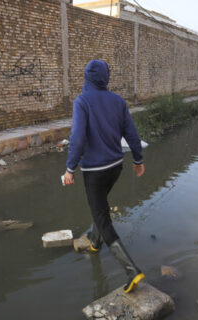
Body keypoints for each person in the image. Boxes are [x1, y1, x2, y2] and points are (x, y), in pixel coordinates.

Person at [63, 60, 145, 293]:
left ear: (86, 77)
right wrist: (138, 160)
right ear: (105, 77)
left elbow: (77, 137)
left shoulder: (82, 101)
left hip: (95, 172)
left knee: (102, 218)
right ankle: (95, 242)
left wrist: (70, 168)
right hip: (116, 167)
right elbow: (132, 133)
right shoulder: (117, 101)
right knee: (100, 208)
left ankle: (132, 271)